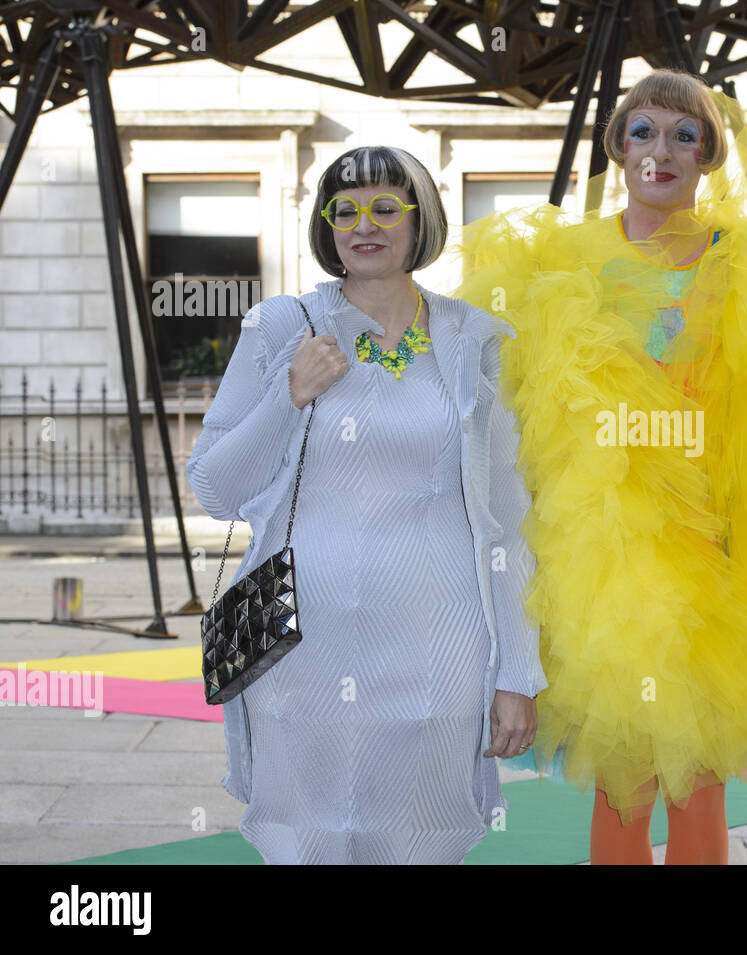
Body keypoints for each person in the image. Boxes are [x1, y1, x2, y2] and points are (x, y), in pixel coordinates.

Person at [457, 70, 747, 864]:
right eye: (643, 132)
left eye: (686, 136)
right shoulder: (562, 258)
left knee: (700, 777)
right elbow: (493, 390)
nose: (662, 151)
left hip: (721, 541)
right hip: (606, 546)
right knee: (625, 776)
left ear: (710, 157)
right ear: (617, 147)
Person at [185, 145, 544, 864]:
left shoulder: (478, 341)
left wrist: (519, 673)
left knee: (419, 838)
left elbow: (509, 520)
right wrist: (288, 397)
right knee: (309, 837)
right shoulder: (279, 326)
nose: (364, 224)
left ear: (421, 221)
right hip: (299, 645)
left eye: (387, 206)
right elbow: (217, 488)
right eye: (344, 210)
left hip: (441, 645)